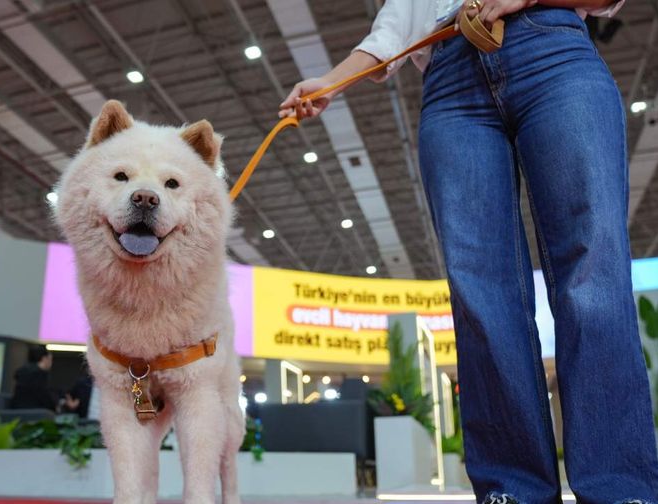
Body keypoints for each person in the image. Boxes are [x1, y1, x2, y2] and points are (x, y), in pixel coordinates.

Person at [280, 1, 658, 502]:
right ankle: (511, 488)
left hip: (554, 51)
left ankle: (620, 488)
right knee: (481, 293)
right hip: (449, 80)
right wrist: (327, 82)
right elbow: (395, 28)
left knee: (592, 275)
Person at [10, 345, 55, 411]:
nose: (51, 363)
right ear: (44, 358)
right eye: (50, 359)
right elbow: (44, 396)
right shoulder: (40, 374)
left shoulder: (22, 371)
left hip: (16, 410)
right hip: (35, 411)